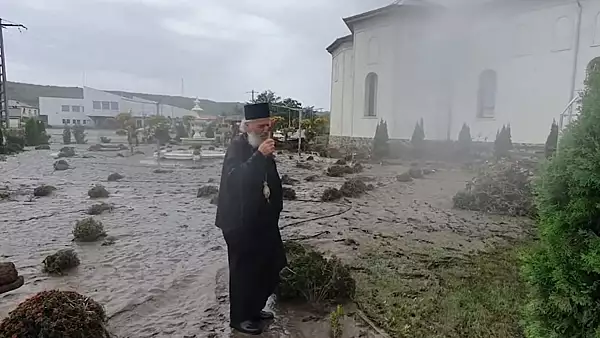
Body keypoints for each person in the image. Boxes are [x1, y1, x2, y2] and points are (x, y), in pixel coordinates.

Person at [215, 102, 287, 335]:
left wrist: (276, 207)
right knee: (243, 271)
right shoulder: (237, 147)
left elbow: (270, 181)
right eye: (260, 126)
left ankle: (255, 309)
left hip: (261, 221)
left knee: (268, 264)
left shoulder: (261, 146)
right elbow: (235, 179)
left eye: (268, 125)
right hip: (238, 222)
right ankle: (239, 318)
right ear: (248, 126)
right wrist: (259, 156)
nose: (265, 129)